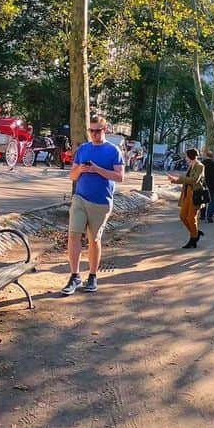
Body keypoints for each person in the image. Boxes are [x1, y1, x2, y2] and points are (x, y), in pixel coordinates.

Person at [61, 115, 125, 295]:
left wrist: (97, 169)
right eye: (91, 131)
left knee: (93, 239)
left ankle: (92, 275)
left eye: (98, 131)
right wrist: (80, 169)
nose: (94, 134)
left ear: (105, 130)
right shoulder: (83, 149)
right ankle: (74, 275)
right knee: (73, 235)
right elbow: (72, 176)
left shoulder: (113, 151)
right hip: (80, 198)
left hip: (101, 202)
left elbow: (119, 177)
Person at [168, 148, 205, 248]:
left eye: (186, 156)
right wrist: (175, 180)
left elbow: (194, 180)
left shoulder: (200, 166)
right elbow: (186, 180)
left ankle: (193, 239)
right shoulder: (191, 165)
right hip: (187, 193)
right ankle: (195, 232)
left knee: (191, 217)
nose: (185, 158)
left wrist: (178, 179)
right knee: (183, 216)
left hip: (195, 194)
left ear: (190, 156)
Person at [199, 150, 214, 222]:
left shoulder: (201, 164)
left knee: (203, 200)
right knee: (212, 200)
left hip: (203, 184)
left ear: (205, 156)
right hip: (213, 185)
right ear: (212, 156)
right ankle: (209, 216)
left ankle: (202, 215)